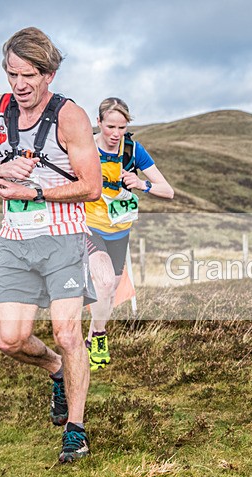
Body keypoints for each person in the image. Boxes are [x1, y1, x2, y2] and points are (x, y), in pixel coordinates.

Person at [0, 27, 102, 463]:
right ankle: (56, 370)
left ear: (49, 74)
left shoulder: (69, 117)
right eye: (11, 74)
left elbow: (92, 187)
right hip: (14, 240)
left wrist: (35, 192)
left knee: (66, 332)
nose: (19, 85)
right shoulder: (1, 113)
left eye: (29, 75)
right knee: (9, 340)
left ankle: (75, 430)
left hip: (62, 237)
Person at [84, 97, 173, 370]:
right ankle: (99, 337)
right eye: (110, 126)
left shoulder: (133, 150)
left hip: (119, 230)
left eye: (122, 127)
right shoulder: (84, 147)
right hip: (88, 226)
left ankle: (89, 340)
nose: (115, 133)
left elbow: (167, 191)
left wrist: (141, 184)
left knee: (110, 294)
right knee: (104, 282)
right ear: (98, 123)